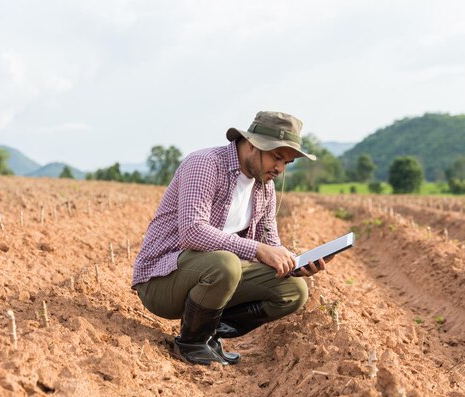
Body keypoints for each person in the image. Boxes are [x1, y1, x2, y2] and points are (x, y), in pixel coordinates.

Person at [131, 111, 332, 365]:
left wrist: (295, 263)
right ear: (251, 144)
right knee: (226, 263)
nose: (280, 169)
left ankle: (208, 331)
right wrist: (257, 250)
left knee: (293, 291)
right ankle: (191, 342)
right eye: (277, 157)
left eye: (287, 163)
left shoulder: (264, 187)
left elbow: (270, 244)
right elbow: (193, 231)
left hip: (212, 275)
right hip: (162, 279)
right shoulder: (205, 164)